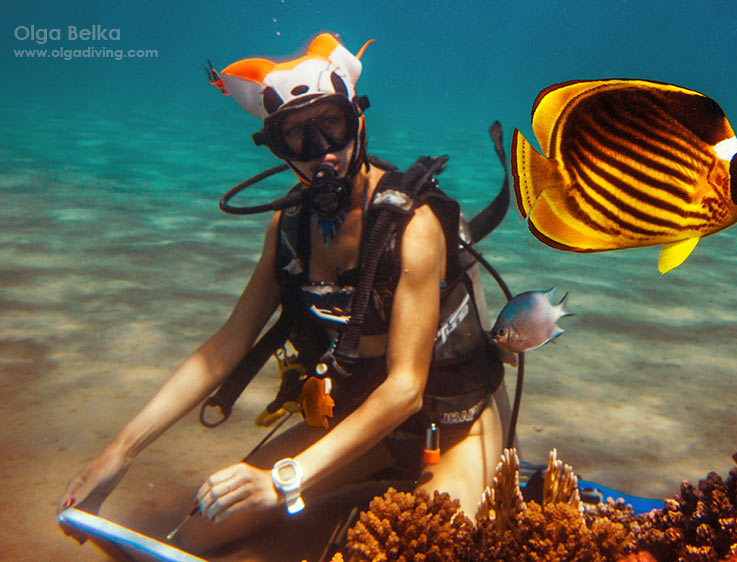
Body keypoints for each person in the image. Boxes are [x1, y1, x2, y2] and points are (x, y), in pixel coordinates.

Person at [59, 32, 508, 559]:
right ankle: (374, 478)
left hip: (452, 420)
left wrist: (286, 478)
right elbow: (223, 348)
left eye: (332, 125)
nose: (322, 152)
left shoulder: (414, 225)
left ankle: (458, 474)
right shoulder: (289, 227)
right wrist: (120, 452)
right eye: (297, 137)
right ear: (277, 149)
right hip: (354, 420)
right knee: (197, 535)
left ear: (357, 122)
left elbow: (406, 388)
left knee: (420, 547)